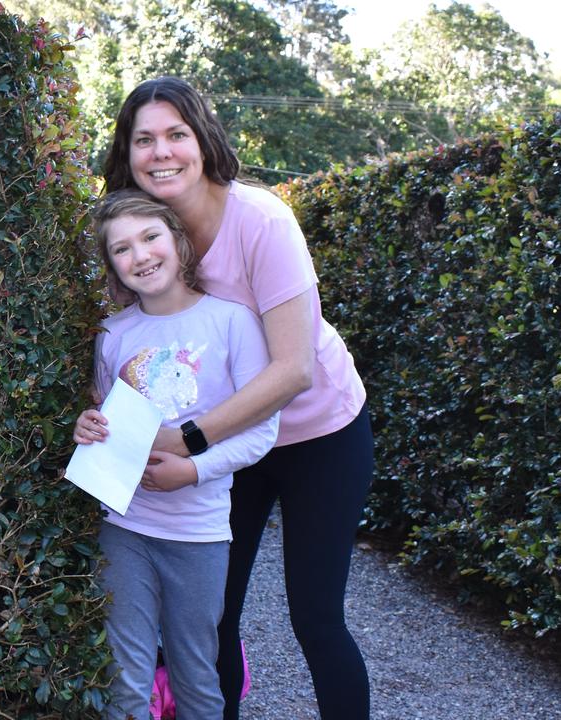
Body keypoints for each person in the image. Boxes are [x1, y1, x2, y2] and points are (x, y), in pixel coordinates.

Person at [102, 76, 375, 720]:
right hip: (233, 447)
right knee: (211, 616)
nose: (161, 151)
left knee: (315, 618)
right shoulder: (145, 236)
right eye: (145, 139)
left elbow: (293, 370)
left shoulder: (261, 219)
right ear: (128, 153)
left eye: (177, 134)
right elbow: (138, 351)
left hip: (319, 435)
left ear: (203, 141)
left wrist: (189, 439)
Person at [73, 190, 278, 720]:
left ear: (178, 242)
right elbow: (106, 419)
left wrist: (192, 470)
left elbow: (262, 430)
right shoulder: (113, 335)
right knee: (126, 677)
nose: (140, 255)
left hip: (199, 534)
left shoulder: (232, 322)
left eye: (149, 237)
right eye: (121, 249)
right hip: (124, 527)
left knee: (195, 674)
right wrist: (88, 427)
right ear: (112, 266)